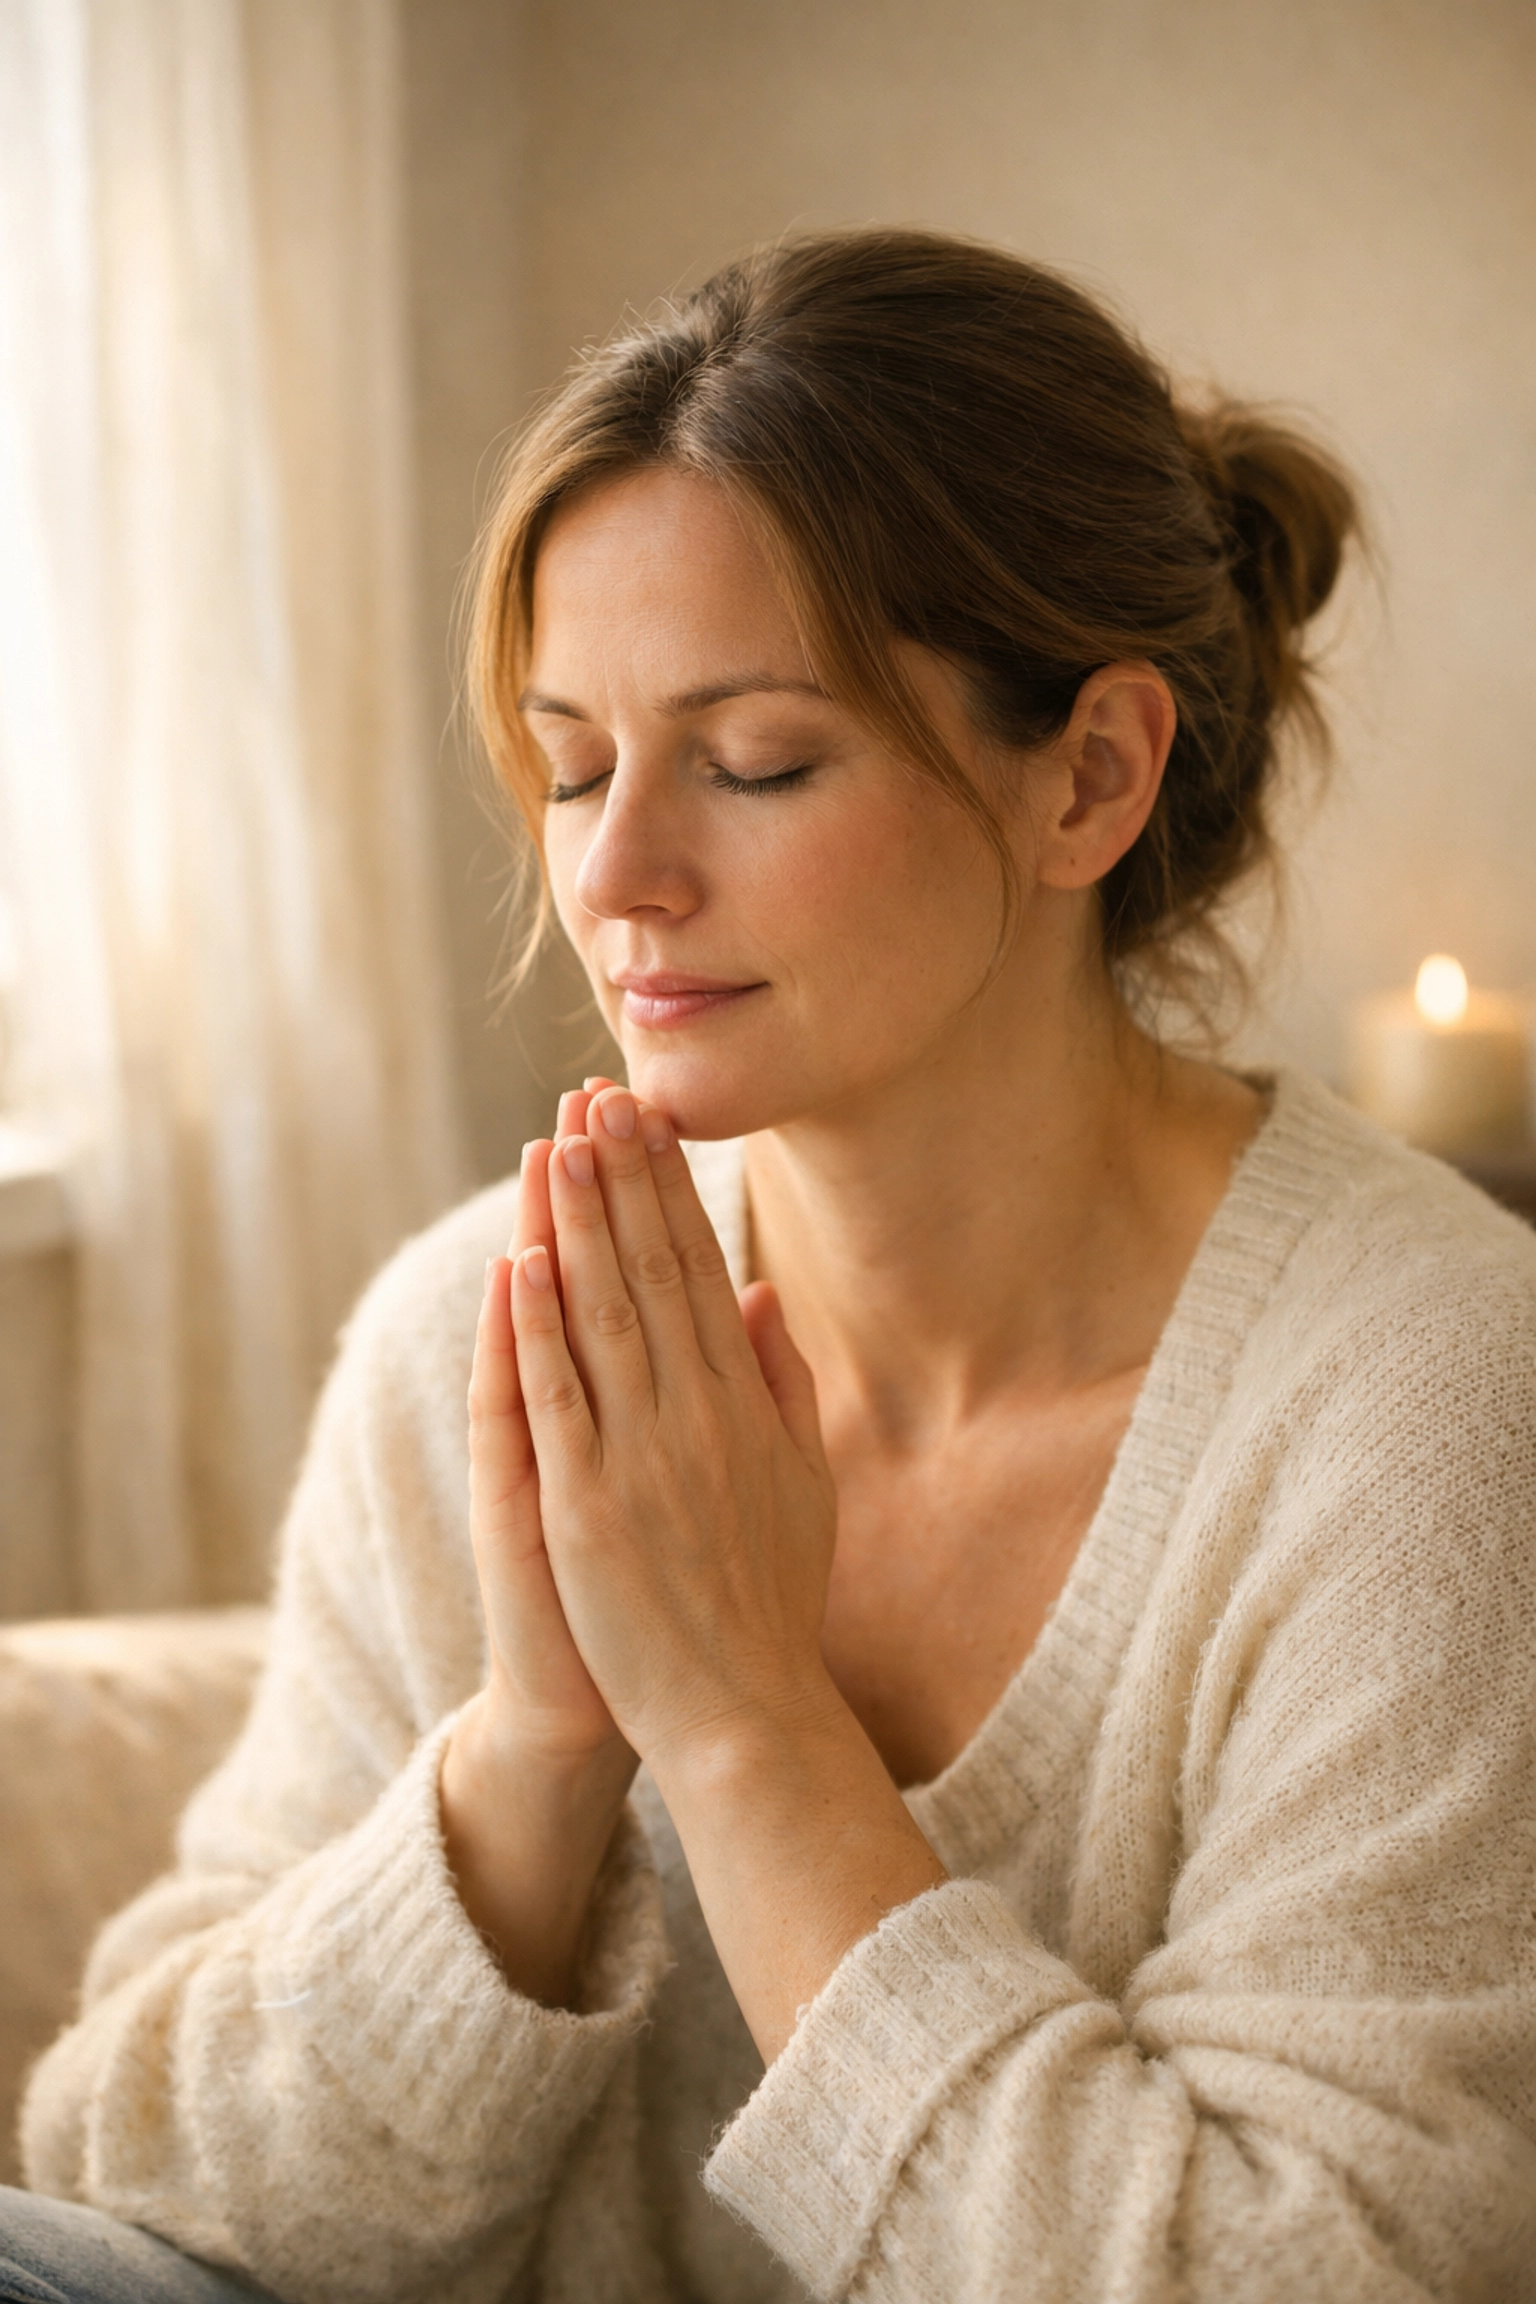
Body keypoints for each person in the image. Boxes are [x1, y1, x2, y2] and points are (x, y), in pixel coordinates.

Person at [8, 229, 1535, 2304]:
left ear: (1090, 772)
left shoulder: (1432, 1410)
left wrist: (741, 1732)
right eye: (570, 764)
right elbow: (127, 2177)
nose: (618, 874)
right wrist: (533, 1753)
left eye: (754, 763)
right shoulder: (484, 1331)